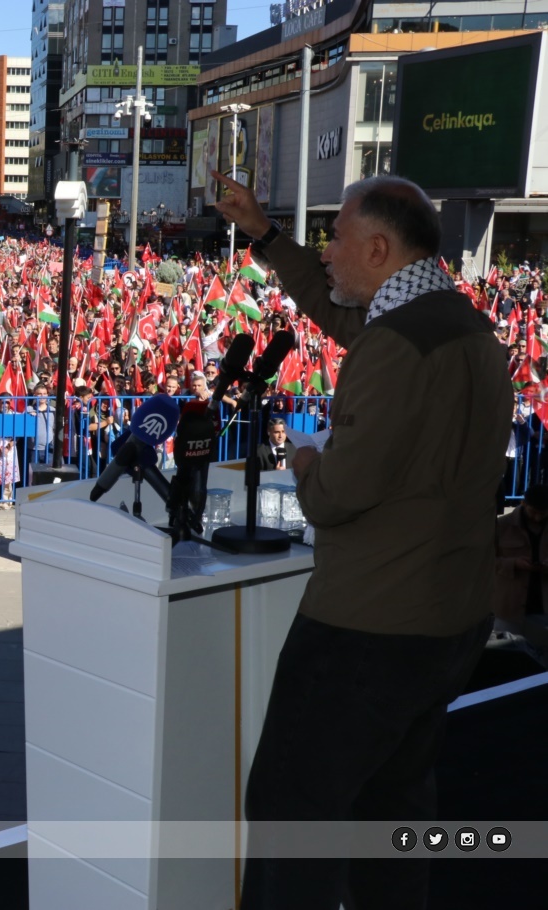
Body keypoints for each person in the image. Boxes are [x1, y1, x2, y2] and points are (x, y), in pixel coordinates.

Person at [214, 169, 512, 909]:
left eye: (337, 238)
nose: (326, 252)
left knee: (292, 809)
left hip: (367, 630)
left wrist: (305, 463)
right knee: (392, 806)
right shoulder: (461, 325)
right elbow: (342, 316)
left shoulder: (395, 347)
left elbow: (336, 495)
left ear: (378, 249)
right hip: (451, 617)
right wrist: (263, 234)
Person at [492, 484, 548, 665]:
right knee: (506, 659)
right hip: (508, 609)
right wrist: (513, 563)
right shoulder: (502, 525)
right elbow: (485, 562)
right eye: (534, 512)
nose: (538, 517)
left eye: (543, 513)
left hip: (542, 609)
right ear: (523, 504)